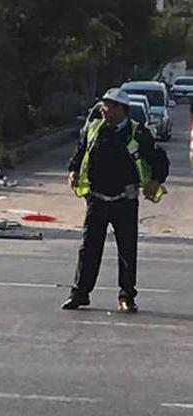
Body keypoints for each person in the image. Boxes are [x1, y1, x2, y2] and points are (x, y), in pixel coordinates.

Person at [63, 88, 169, 313]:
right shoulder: (93, 129)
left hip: (125, 201)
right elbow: (80, 154)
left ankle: (127, 296)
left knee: (127, 250)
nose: (104, 109)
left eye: (109, 106)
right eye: (104, 104)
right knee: (89, 249)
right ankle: (80, 293)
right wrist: (73, 170)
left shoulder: (138, 133)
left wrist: (156, 180)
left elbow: (159, 159)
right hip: (97, 200)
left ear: (121, 110)